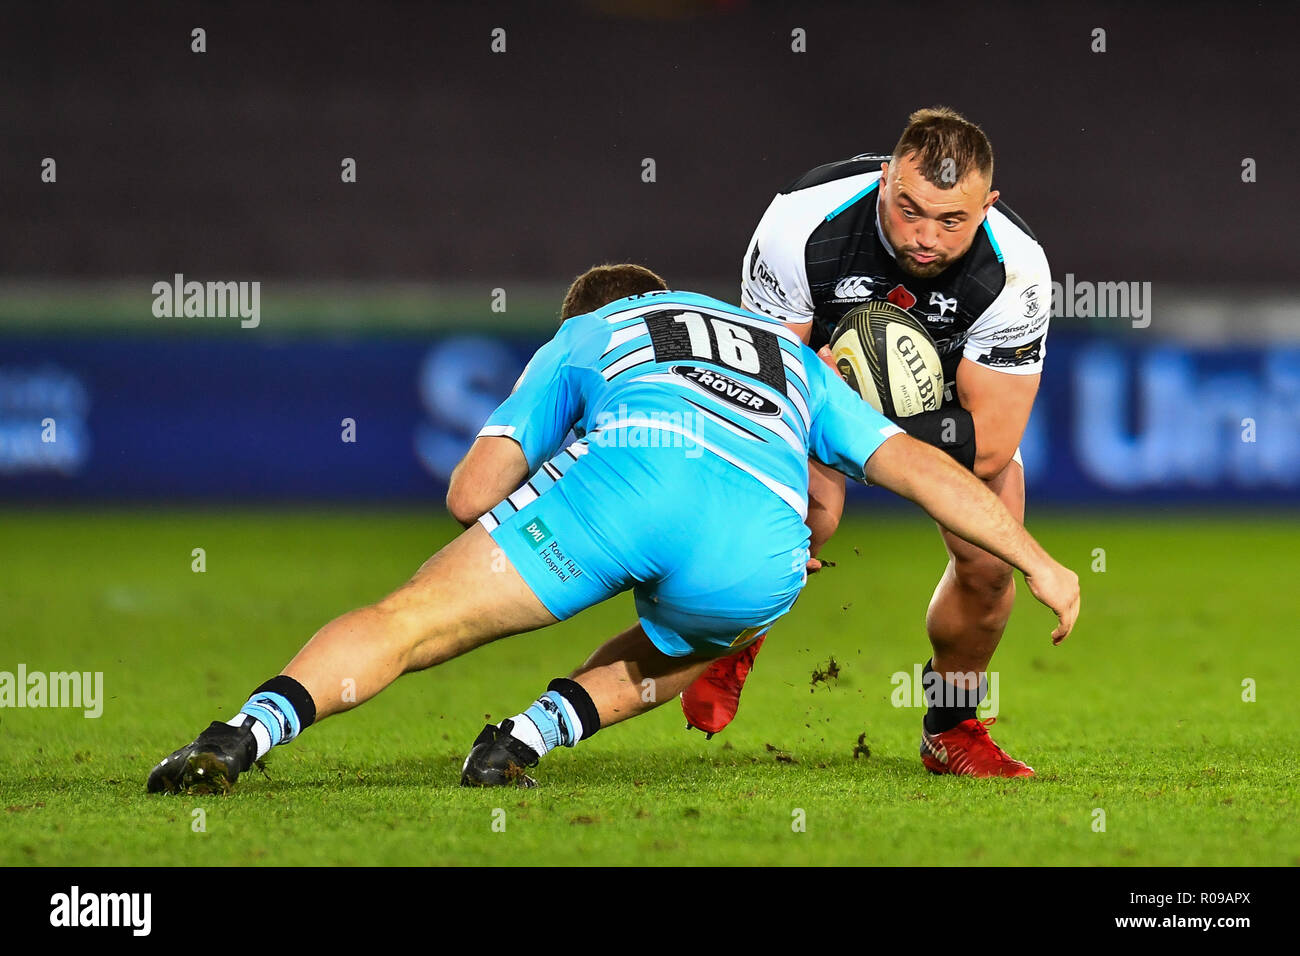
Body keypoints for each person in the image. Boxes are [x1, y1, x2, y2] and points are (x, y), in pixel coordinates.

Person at [146, 268, 1077, 795]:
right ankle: (519, 742)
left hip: (626, 481)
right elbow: (920, 470)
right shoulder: (790, 356)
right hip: (757, 553)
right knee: (681, 641)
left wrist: (575, 477)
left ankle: (238, 738)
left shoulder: (592, 332)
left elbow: (473, 493)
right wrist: (1036, 561)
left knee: (411, 619)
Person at [680, 107, 1054, 778]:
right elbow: (761, 397)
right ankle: (735, 633)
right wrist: (828, 410)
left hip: (943, 405)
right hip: (813, 384)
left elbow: (992, 446)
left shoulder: (1016, 269)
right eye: (911, 209)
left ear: (988, 206)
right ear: (886, 177)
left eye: (953, 221)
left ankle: (953, 726)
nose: (926, 238)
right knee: (799, 520)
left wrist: (868, 422)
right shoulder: (801, 223)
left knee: (991, 564)